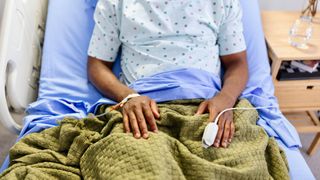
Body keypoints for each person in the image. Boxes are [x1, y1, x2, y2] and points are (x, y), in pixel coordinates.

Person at [87, 0, 248, 148]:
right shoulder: (117, 3)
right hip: (144, 111)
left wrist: (226, 99)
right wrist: (128, 97)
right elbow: (97, 65)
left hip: (208, 109)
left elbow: (237, 63)